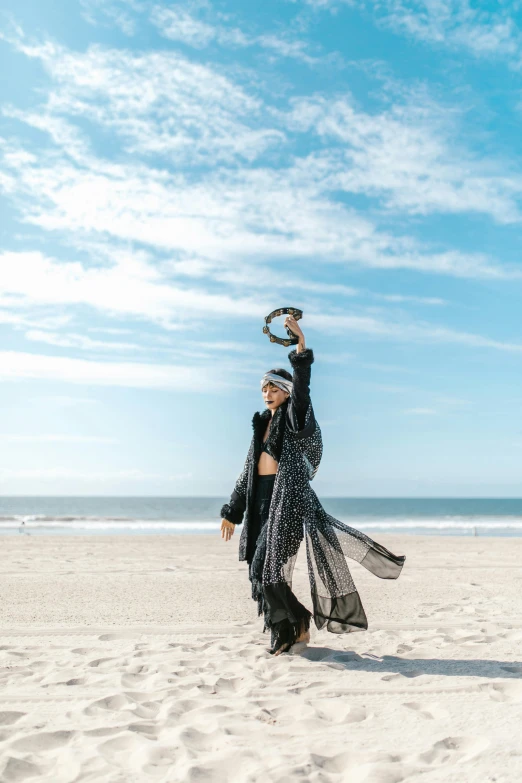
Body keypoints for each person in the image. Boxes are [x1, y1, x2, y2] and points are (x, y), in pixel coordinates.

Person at [220, 315, 405, 656]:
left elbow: (302, 393)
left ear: (286, 391)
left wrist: (300, 349)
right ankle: (290, 628)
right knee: (258, 573)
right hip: (261, 501)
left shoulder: (295, 416)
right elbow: (248, 471)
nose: (267, 393)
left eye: (273, 387)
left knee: (270, 571)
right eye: (263, 388)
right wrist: (232, 511)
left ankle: (294, 626)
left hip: (287, 500)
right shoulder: (261, 424)